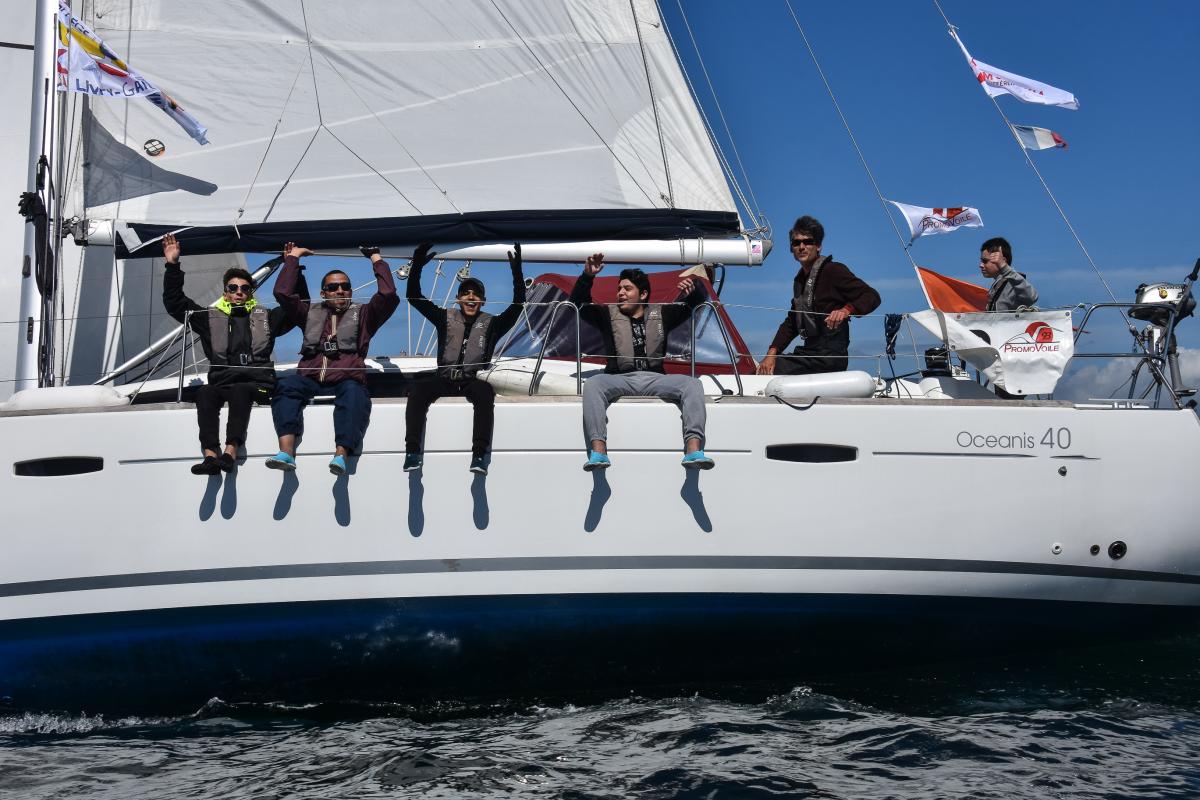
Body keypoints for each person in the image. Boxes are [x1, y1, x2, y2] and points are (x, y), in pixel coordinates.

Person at [161, 233, 295, 476]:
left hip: (259, 385)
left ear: (250, 293)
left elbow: (294, 308)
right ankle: (210, 456)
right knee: (205, 393)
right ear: (225, 293)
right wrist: (172, 265)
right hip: (222, 383)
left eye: (245, 288)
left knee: (241, 390)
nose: (239, 292)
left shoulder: (268, 318)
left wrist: (292, 267)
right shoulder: (208, 319)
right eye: (233, 288)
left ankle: (230, 452)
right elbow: (175, 303)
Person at [570, 253, 714, 471]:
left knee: (692, 384)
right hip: (619, 378)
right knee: (593, 385)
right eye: (619, 289)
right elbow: (578, 303)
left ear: (643, 294)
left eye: (627, 289)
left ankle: (693, 450)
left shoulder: (663, 314)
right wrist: (587, 276)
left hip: (655, 379)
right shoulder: (606, 315)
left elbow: (697, 303)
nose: (620, 293)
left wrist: (693, 291)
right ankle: (599, 452)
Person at [266, 242, 400, 475]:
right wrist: (293, 259)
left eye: (345, 287)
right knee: (286, 386)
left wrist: (375, 258)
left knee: (354, 393)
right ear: (323, 293)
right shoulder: (308, 314)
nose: (340, 291)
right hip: (309, 378)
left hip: (346, 379)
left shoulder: (366, 316)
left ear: (351, 291)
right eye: (333, 287)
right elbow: (283, 293)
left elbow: (388, 294)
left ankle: (341, 455)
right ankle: (286, 452)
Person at [404, 243, 526, 475]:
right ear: (458, 299)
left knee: (485, 393)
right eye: (466, 293)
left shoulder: (493, 324)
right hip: (444, 379)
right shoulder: (444, 318)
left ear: (483, 301)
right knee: (418, 391)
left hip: (472, 380)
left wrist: (516, 272)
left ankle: (479, 455)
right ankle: (412, 452)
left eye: (476, 294)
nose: (471, 297)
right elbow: (414, 297)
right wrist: (417, 264)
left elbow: (518, 304)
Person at [757, 215, 881, 376]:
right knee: (761, 369)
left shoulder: (833, 270)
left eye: (807, 242)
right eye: (796, 243)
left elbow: (871, 296)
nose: (801, 247)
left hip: (829, 357)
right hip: (809, 352)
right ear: (791, 248)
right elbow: (792, 323)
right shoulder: (800, 281)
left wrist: (846, 310)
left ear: (818, 246)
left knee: (767, 372)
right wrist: (771, 353)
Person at [980, 237, 1039, 311]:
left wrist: (1004, 268)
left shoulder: (1013, 283)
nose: (981, 265)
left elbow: (1032, 297)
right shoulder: (999, 285)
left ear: (1003, 260)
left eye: (985, 261)